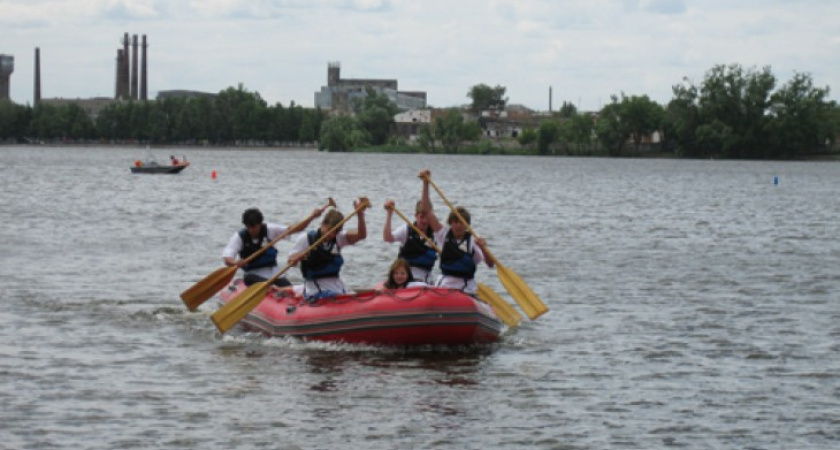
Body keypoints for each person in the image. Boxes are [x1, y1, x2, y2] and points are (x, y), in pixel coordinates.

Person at [222, 206, 325, 287]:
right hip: (253, 275)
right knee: (247, 277)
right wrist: (236, 262)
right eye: (248, 227)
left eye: (254, 227)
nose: (251, 230)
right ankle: (269, 286)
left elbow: (295, 229)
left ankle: (272, 286)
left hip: (273, 273)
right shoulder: (239, 237)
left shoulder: (270, 229)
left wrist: (312, 217)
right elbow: (227, 258)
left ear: (260, 223)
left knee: (288, 287)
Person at [288, 198, 368, 300]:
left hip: (337, 285)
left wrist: (360, 215)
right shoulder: (306, 239)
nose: (332, 234)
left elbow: (361, 235)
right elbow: (290, 261)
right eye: (329, 230)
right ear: (322, 224)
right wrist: (298, 257)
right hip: (315, 288)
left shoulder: (339, 238)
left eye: (336, 232)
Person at [383, 169, 443, 284]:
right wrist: (389, 214)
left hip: (425, 278)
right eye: (421, 217)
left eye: (426, 217)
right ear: (416, 216)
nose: (423, 221)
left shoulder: (436, 233)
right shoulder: (407, 229)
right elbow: (387, 238)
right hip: (404, 278)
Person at [434, 205, 493, 295]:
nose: (458, 225)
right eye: (455, 222)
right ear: (451, 223)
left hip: (466, 288)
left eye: (461, 222)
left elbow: (490, 264)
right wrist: (425, 194)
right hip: (445, 285)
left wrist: (483, 248)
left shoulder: (474, 241)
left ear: (467, 225)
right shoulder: (443, 235)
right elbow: (428, 212)